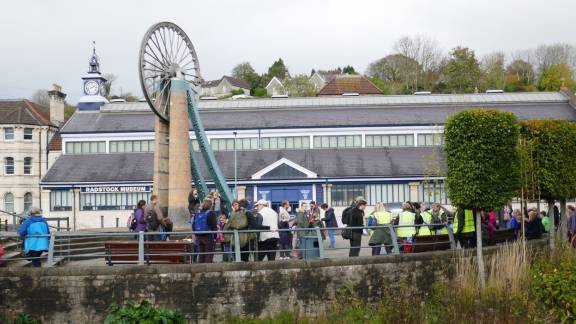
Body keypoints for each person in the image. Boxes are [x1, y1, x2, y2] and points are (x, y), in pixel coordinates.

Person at [193, 198, 217, 263]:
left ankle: (200, 270)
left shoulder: (198, 213)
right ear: (210, 205)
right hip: (208, 237)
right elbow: (214, 226)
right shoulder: (211, 213)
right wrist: (215, 237)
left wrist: (196, 235)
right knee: (208, 255)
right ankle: (207, 271)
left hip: (199, 236)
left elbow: (193, 225)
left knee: (201, 255)